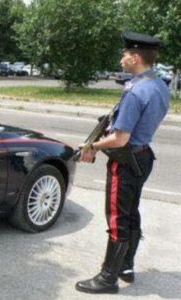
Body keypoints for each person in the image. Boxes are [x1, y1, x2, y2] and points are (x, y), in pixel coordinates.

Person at [75, 31, 170, 294]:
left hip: (126, 162)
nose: (121, 59)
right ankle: (126, 266)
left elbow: (119, 138)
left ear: (136, 57)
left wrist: (91, 146)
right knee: (131, 213)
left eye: (125, 54)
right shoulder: (159, 84)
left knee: (118, 217)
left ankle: (108, 278)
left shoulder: (135, 91)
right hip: (143, 156)